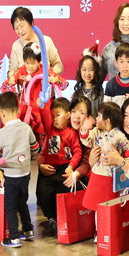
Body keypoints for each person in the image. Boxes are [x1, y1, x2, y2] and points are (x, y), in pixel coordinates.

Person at [0, 92, 41, 248]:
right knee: (22, 202)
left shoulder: (1, 133)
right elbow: (36, 148)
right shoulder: (26, 128)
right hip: (25, 174)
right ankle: (28, 230)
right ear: (18, 111)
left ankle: (13, 237)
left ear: (1, 113)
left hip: (11, 176)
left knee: (10, 206)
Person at [36, 97, 83, 234]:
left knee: (64, 192)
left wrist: (71, 166)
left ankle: (63, 218)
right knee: (43, 192)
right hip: (49, 170)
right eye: (52, 116)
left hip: (64, 168)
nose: (54, 119)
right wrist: (42, 106)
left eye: (58, 115)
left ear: (68, 115)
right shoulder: (50, 129)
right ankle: (52, 219)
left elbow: (77, 152)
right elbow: (44, 117)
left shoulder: (71, 133)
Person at [79, 102, 129, 212]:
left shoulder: (119, 135)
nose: (96, 118)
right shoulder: (96, 132)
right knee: (96, 206)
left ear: (107, 121)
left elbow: (128, 146)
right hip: (97, 173)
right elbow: (87, 140)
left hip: (112, 177)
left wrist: (126, 160)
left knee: (110, 207)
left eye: (99, 115)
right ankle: (97, 223)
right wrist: (85, 129)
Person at [2, 43, 68, 136]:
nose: (30, 66)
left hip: (41, 102)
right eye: (27, 63)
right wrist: (11, 81)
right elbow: (6, 85)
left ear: (39, 60)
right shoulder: (22, 70)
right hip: (27, 103)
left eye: (33, 63)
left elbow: (63, 83)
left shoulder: (45, 69)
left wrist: (56, 80)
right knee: (25, 127)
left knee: (45, 127)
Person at [7, 6, 63, 79]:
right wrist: (16, 77)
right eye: (16, 28)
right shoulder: (16, 45)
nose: (20, 31)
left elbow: (58, 65)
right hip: (25, 86)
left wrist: (49, 76)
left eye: (22, 26)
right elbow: (12, 70)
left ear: (31, 23)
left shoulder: (46, 41)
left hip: (45, 85)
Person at [72, 51, 105, 117]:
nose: (87, 73)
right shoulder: (77, 94)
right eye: (84, 69)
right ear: (80, 71)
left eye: (91, 69)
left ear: (96, 70)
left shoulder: (100, 94)